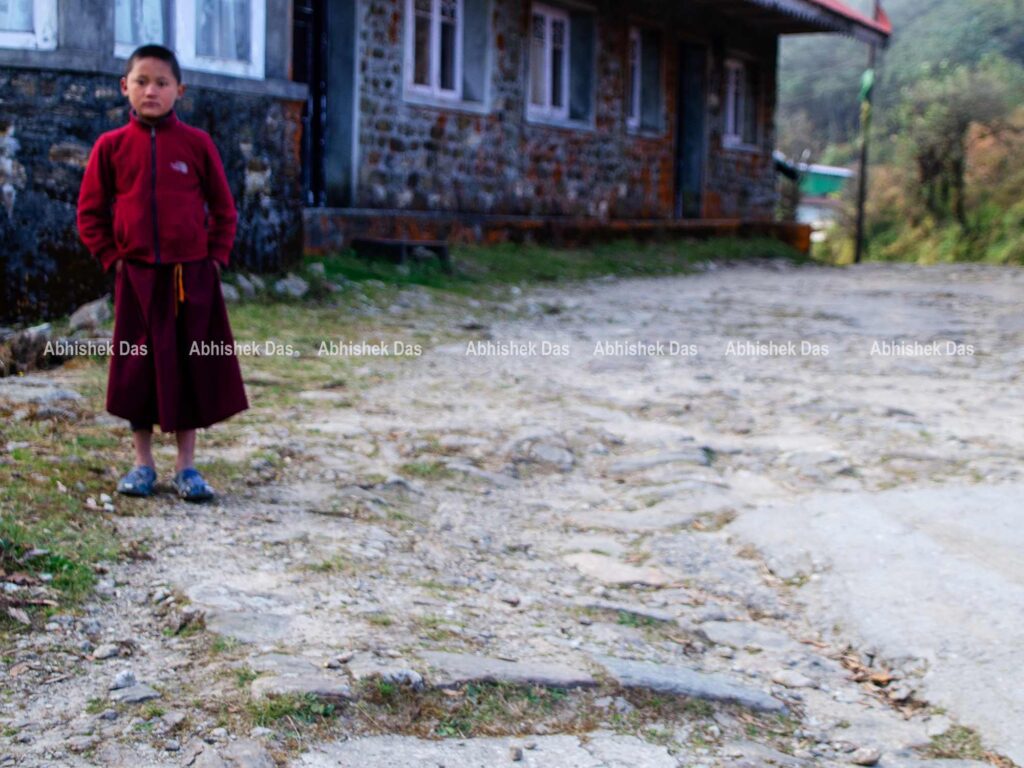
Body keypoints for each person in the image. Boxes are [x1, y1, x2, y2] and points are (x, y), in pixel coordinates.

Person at [77, 44, 248, 502]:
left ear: (180, 90)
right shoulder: (111, 147)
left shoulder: (196, 145)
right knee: (138, 366)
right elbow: (89, 213)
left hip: (188, 279)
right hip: (136, 278)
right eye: (141, 81)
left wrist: (213, 258)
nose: (151, 90)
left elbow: (224, 208)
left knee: (189, 364)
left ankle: (187, 467)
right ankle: (142, 463)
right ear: (124, 87)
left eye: (162, 83)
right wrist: (113, 259)